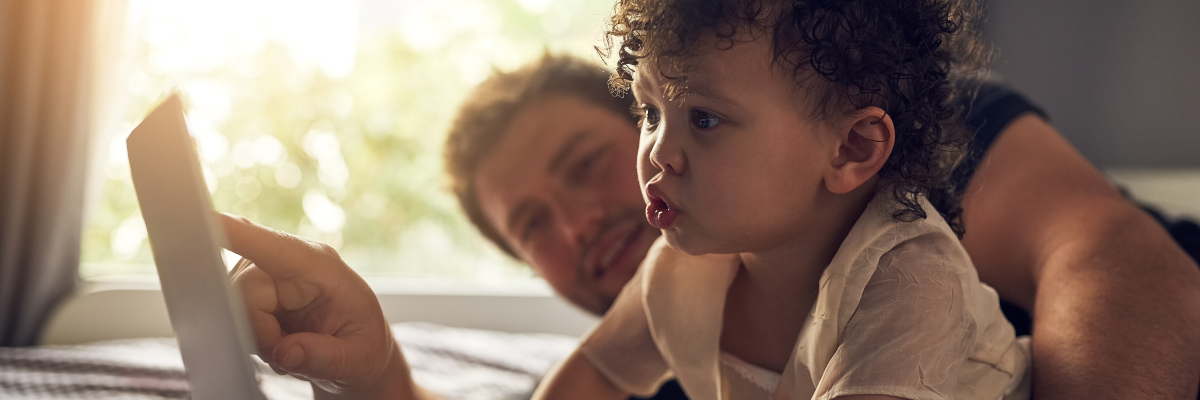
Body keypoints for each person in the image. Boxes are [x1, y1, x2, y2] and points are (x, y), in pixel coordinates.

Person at [222, 10, 1200, 400]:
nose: (659, 158)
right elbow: (593, 382)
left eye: (702, 119)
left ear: (853, 148)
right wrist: (375, 368)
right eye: (651, 114)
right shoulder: (687, 264)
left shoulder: (910, 211)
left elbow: (1111, 255)